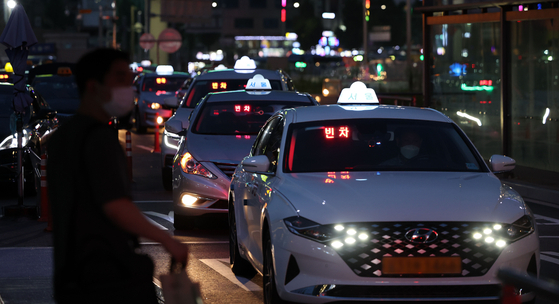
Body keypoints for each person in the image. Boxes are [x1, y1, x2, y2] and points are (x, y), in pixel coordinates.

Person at [47, 48, 189, 304]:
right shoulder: (99, 138)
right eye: (120, 79)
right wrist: (167, 240)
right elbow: (116, 206)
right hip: (105, 274)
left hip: (71, 272)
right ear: (93, 86)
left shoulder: (61, 138)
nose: (129, 88)